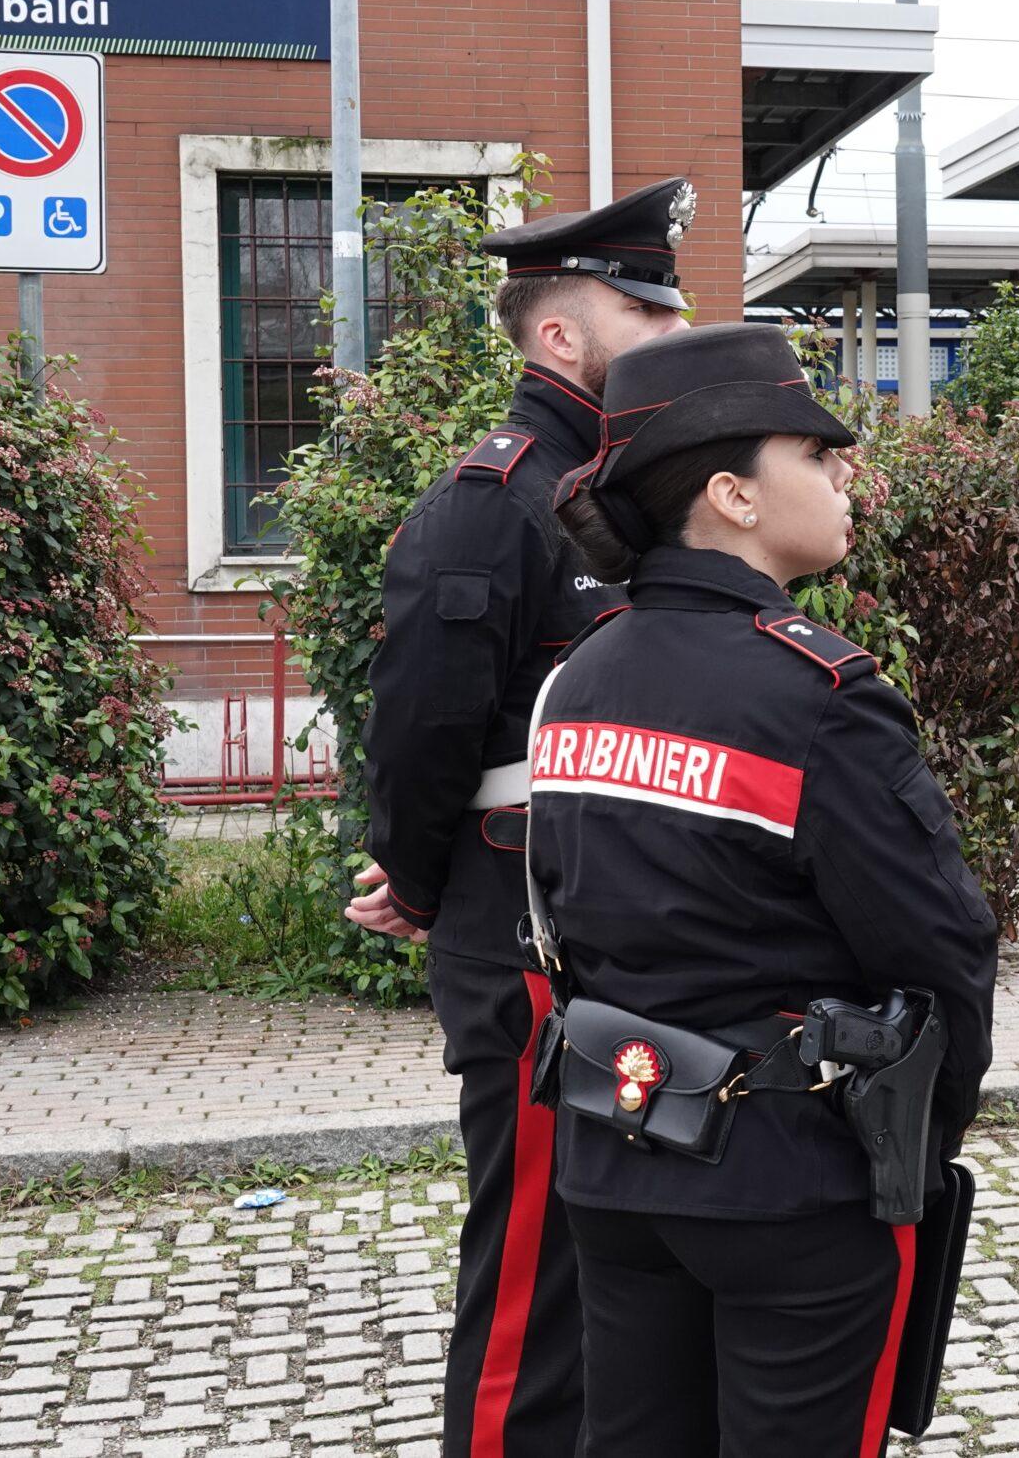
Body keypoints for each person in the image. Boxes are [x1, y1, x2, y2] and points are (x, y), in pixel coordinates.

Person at [523, 322, 998, 1458]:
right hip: (789, 1177)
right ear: (733, 495)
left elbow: (552, 918)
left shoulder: (578, 675)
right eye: (817, 455)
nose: (845, 475)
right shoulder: (820, 693)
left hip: (614, 1148)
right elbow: (941, 952)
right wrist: (921, 1144)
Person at [348, 177, 695, 1458]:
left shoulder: (620, 491)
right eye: (644, 312)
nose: (672, 332)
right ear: (560, 336)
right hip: (526, 955)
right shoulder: (496, 500)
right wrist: (419, 879)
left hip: (623, 943)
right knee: (534, 1291)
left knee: (620, 1282)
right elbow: (426, 727)